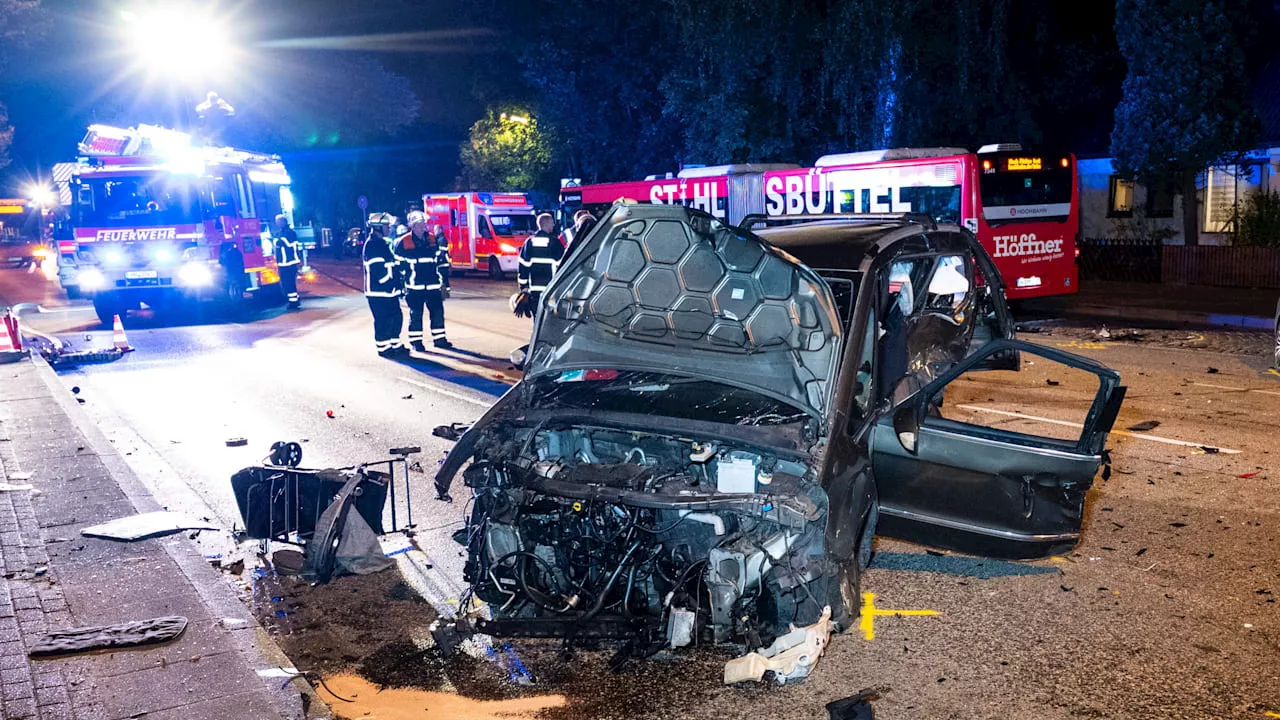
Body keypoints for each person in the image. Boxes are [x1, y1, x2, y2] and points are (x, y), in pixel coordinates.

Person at [394, 212, 453, 351]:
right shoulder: (404, 242)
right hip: (414, 286)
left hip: (433, 285)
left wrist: (445, 284)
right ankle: (416, 342)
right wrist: (400, 286)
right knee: (416, 314)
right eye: (419, 225)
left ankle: (439, 339)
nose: (423, 227)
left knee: (437, 312)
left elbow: (441, 262)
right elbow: (397, 266)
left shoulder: (432, 239)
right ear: (412, 226)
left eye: (424, 225)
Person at [363, 213, 406, 357]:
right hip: (378, 292)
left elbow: (392, 266)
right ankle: (383, 348)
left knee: (396, 317)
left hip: (389, 291)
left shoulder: (382, 244)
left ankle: (395, 344)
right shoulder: (373, 245)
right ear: (378, 228)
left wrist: (398, 284)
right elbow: (378, 270)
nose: (389, 228)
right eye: (386, 226)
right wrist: (389, 283)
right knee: (383, 320)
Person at [517, 212, 566, 316]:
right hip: (551, 290)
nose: (553, 225)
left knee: (537, 320)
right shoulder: (554, 242)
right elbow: (564, 265)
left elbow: (523, 266)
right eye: (552, 222)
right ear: (546, 224)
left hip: (534, 291)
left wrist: (523, 288)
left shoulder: (529, 242)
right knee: (550, 321)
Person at [272, 214, 302, 309]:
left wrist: (275, 240)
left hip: (289, 263)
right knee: (287, 284)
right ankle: (294, 300)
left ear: (283, 222)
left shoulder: (289, 233)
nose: (277, 223)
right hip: (284, 263)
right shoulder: (282, 232)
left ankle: (294, 303)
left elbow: (283, 243)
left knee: (289, 284)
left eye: (279, 221)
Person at [431, 224, 452, 299]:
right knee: (444, 278)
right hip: (443, 263)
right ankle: (446, 292)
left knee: (442, 278)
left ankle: (444, 293)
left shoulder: (441, 239)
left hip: (442, 263)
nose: (434, 231)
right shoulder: (439, 239)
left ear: (440, 230)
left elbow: (442, 252)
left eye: (436, 230)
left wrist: (438, 260)